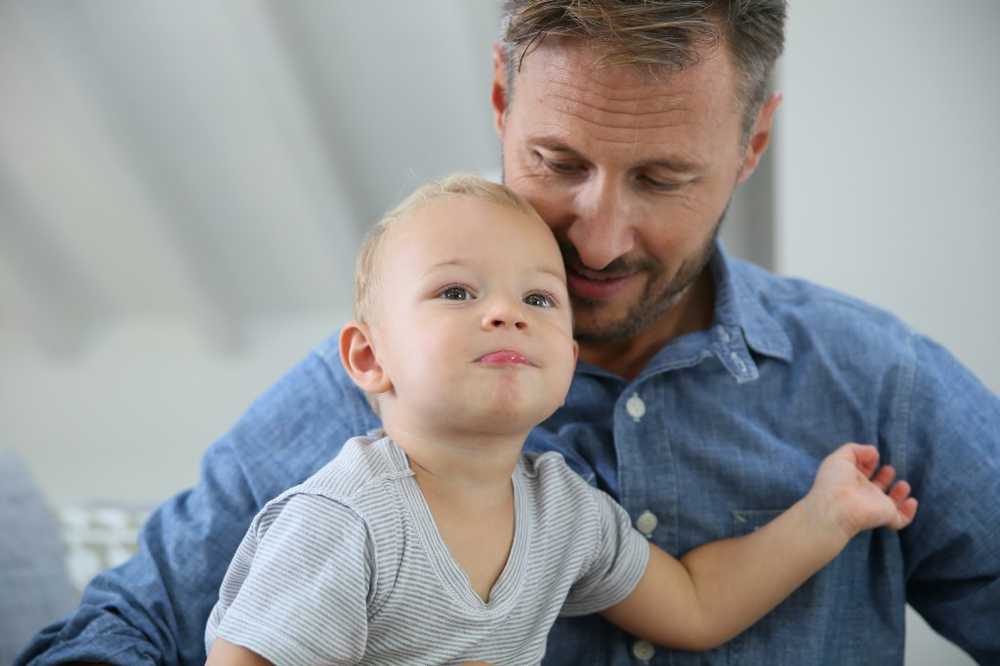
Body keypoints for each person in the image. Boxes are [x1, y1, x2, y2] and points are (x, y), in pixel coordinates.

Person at [17, 1, 1000, 664]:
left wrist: (825, 514)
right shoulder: (349, 421)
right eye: (555, 160)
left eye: (662, 178)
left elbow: (695, 605)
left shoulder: (880, 384)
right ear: (500, 100)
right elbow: (132, 621)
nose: (599, 237)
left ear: (751, 144)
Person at [203, 174, 916, 665]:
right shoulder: (345, 521)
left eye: (539, 300)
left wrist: (824, 517)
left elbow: (696, 606)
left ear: (568, 360)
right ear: (368, 357)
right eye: (455, 290)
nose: (506, 311)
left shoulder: (562, 513)